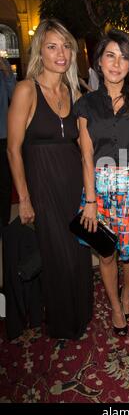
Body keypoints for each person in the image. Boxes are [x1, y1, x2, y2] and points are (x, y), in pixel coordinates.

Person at [7, 19, 93, 339]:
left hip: (74, 182)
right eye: (52, 46)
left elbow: (84, 142)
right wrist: (25, 198)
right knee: (58, 256)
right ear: (40, 52)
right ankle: (61, 322)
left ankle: (81, 312)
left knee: (79, 251)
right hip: (43, 185)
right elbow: (14, 151)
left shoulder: (74, 89)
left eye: (66, 46)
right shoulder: (26, 89)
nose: (61, 53)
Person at [74, 29, 129, 336]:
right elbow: (86, 157)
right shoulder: (85, 104)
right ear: (99, 61)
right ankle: (114, 304)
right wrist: (92, 202)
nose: (116, 63)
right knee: (106, 254)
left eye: (124, 57)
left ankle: (127, 293)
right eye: (110, 55)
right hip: (100, 190)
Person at [0, 57, 16, 234]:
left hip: (3, 135)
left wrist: (6, 73)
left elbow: (14, 95)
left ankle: (3, 223)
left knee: (4, 181)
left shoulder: (3, 68)